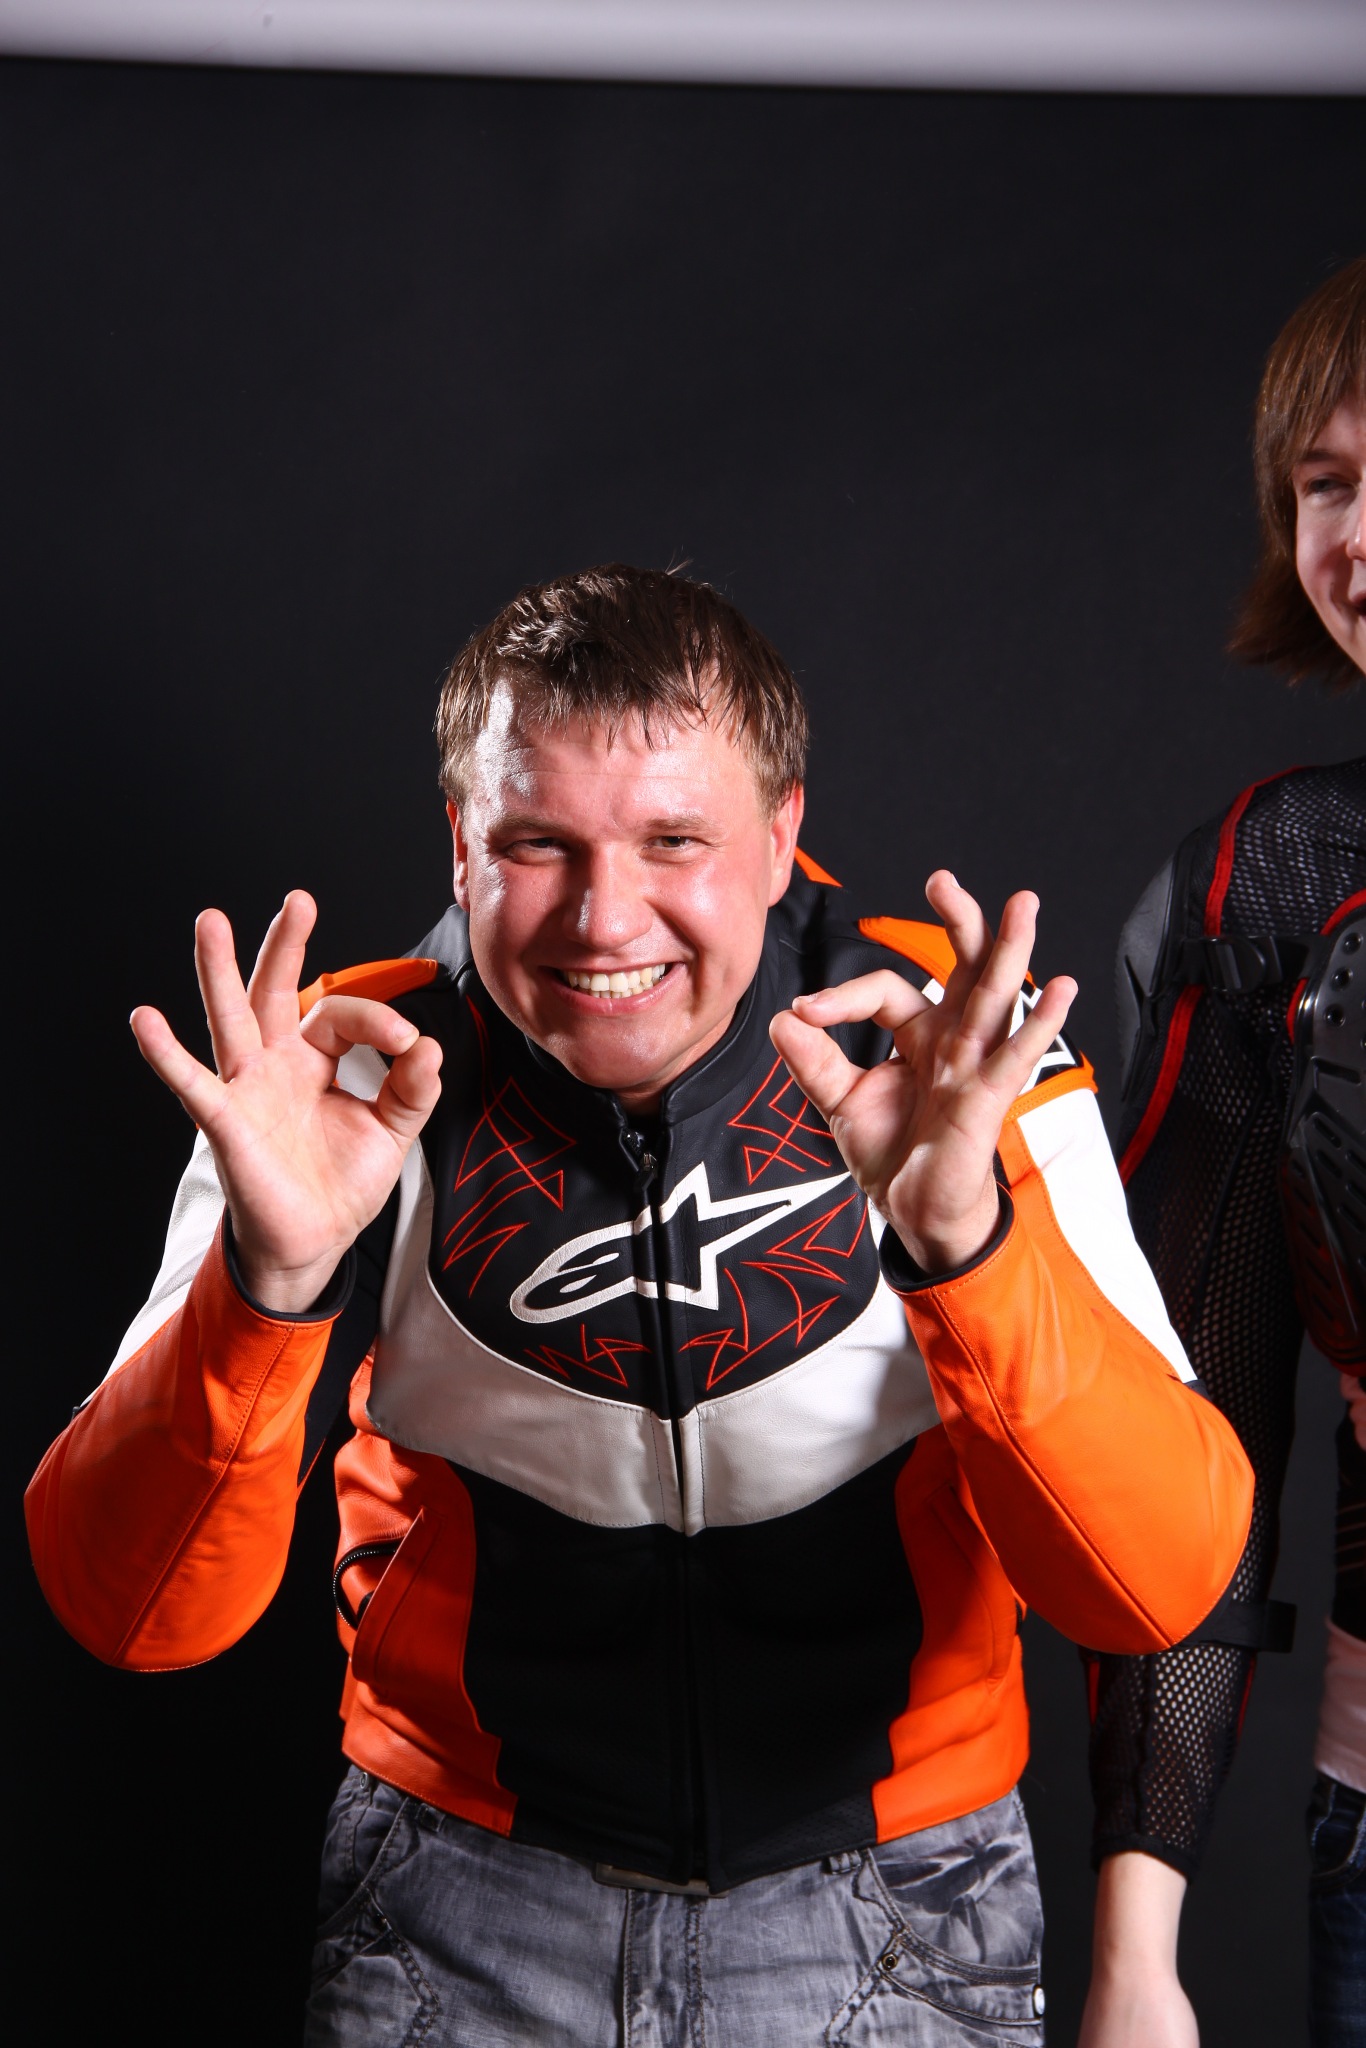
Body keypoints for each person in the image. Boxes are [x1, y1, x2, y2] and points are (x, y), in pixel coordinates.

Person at [27, 564, 1252, 2046]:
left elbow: (1160, 1580)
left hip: (894, 1911)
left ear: (781, 834)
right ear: (461, 843)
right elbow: (132, 1610)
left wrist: (967, 1246)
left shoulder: (956, 1055)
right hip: (457, 1909)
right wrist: (267, 1287)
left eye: (675, 839)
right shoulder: (330, 1076)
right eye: (537, 843)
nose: (606, 921)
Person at [1078, 256, 1366, 2048]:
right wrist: (1136, 1949)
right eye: (1326, 484)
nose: (1360, 538)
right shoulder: (1267, 885)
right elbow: (1199, 1449)